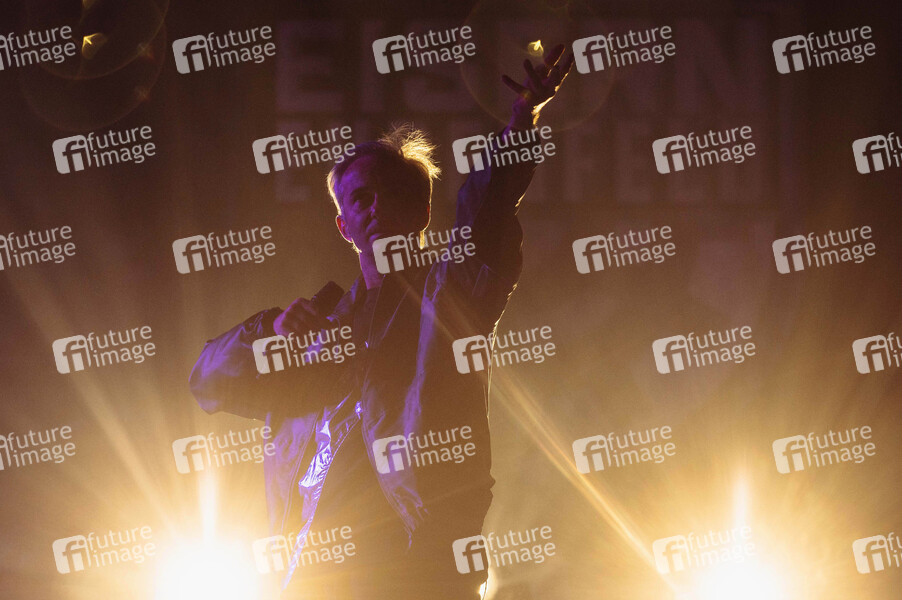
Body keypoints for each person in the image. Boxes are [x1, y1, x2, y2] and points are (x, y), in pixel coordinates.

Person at [189, 44, 574, 599]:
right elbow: (206, 382)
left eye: (391, 194)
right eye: (360, 198)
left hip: (414, 573)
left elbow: (486, 212)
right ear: (344, 225)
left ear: (421, 211)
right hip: (308, 580)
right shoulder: (315, 327)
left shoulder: (448, 297)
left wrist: (522, 121)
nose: (374, 206)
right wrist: (269, 335)